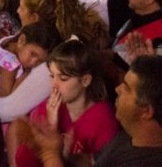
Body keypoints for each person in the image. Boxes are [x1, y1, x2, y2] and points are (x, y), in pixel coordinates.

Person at [0, 0, 104, 123]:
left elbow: (10, 110)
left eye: (22, 7)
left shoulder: (55, 62)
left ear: (35, 18)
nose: (17, 11)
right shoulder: (37, 45)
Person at [30, 56, 162, 166]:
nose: (118, 89)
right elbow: (92, 161)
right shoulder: (129, 135)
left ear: (146, 111)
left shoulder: (147, 162)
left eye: (127, 88)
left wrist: (49, 154)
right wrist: (64, 154)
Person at [13, 39, 119, 167]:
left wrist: (60, 154)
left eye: (63, 78)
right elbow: (23, 160)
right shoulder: (47, 109)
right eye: (52, 76)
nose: (54, 85)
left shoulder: (103, 121)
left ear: (85, 80)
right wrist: (50, 127)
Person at [0, 22, 61, 102]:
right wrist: (26, 74)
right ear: (21, 40)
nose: (33, 63)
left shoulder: (9, 41)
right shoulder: (9, 63)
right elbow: (7, 94)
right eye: (32, 54)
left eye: (40, 61)